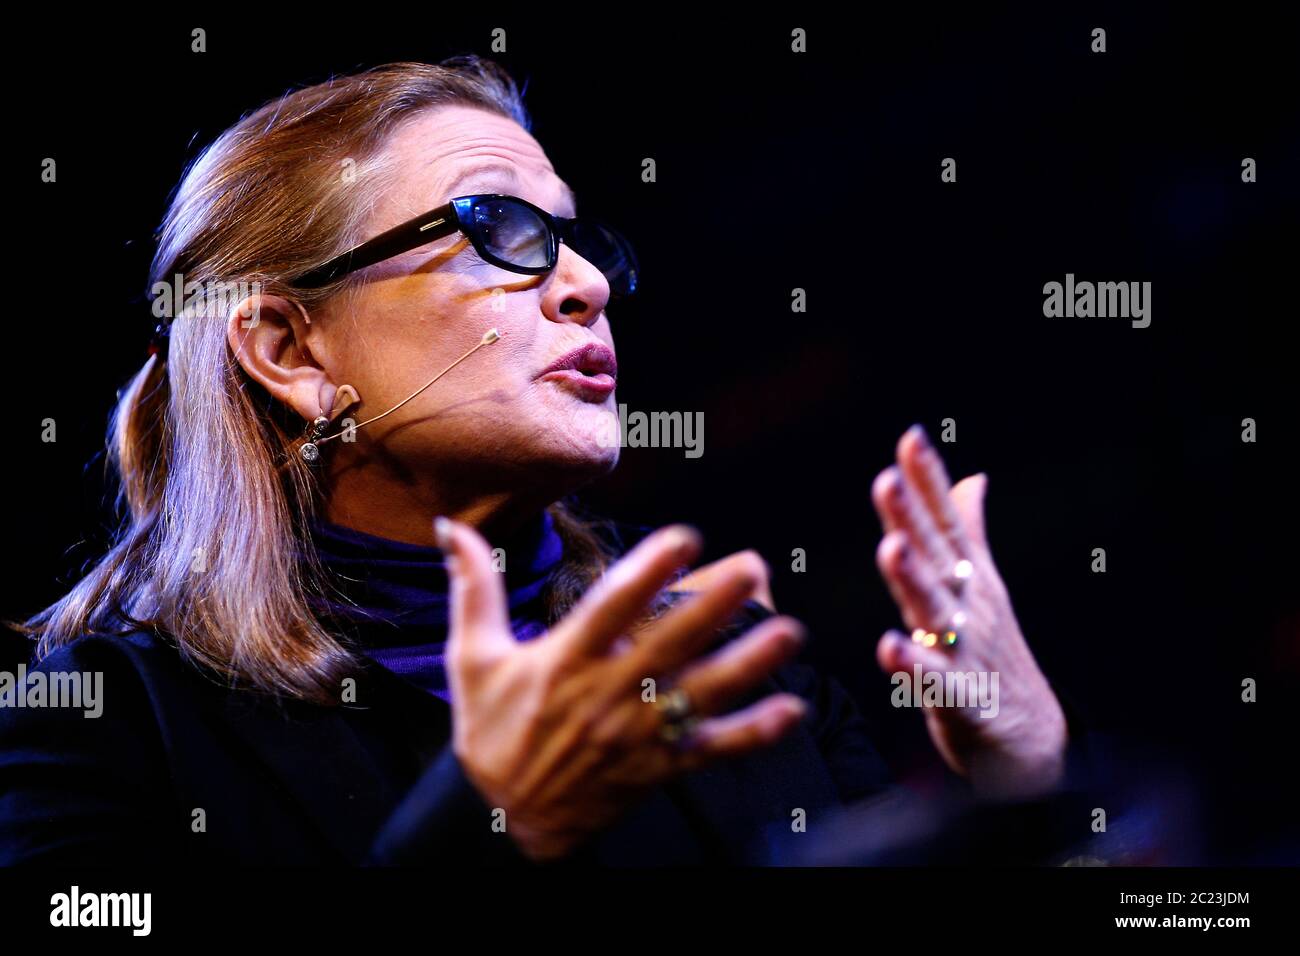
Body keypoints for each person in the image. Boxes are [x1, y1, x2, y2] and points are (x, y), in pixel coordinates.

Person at [0, 56, 1071, 865]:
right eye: (497, 229)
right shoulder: (109, 727)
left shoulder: (737, 672)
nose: (585, 284)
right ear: (289, 347)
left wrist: (1016, 786)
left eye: (572, 239)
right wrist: (482, 823)